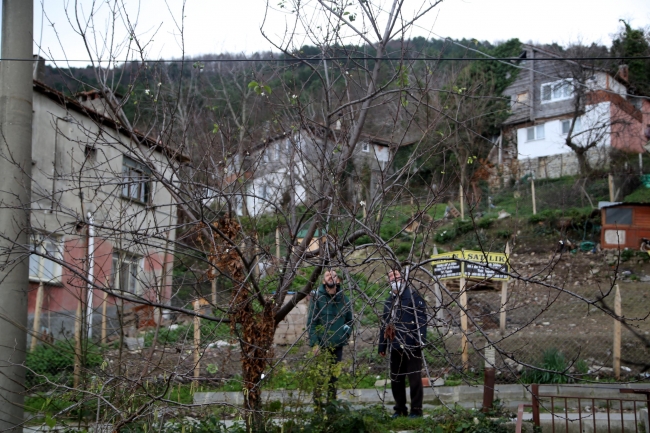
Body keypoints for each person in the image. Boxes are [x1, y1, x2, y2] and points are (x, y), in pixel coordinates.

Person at [378, 269, 428, 418]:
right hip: (394, 345)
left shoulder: (413, 297)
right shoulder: (388, 301)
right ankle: (399, 409)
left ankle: (416, 410)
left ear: (403, 278)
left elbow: (422, 320)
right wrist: (382, 345)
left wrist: (420, 340)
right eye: (391, 276)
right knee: (396, 379)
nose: (394, 278)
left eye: (397, 275)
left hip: (412, 344)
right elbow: (384, 325)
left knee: (414, 379)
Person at [307, 269, 353, 404]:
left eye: (333, 275)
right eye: (327, 275)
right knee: (319, 376)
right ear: (323, 281)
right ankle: (318, 406)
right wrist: (315, 343)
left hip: (337, 344)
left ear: (337, 280)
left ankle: (331, 405)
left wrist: (344, 335)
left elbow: (349, 321)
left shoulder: (344, 299)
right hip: (321, 344)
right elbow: (312, 322)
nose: (331, 277)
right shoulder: (317, 298)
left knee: (334, 377)